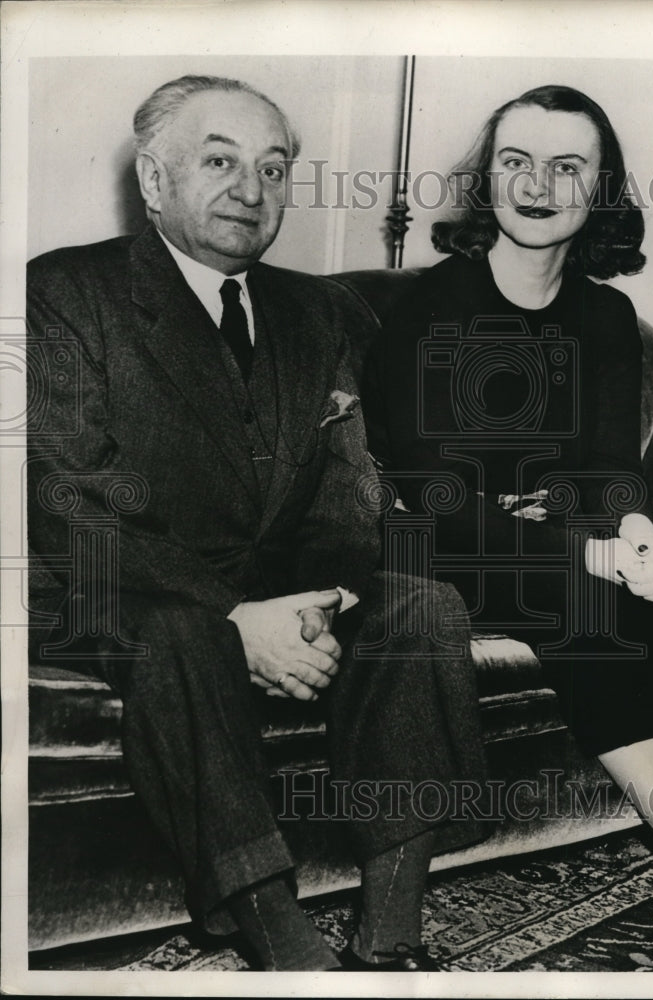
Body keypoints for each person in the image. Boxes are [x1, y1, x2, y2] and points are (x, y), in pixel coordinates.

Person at [26, 74, 489, 972]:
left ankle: (390, 932)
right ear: (154, 179)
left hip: (280, 588)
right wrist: (239, 620)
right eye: (220, 161)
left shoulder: (323, 311)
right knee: (184, 635)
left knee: (420, 609)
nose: (251, 189)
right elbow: (71, 502)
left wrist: (319, 605)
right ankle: (282, 944)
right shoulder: (64, 293)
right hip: (118, 590)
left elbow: (351, 490)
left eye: (273, 169)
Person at [364, 85, 653, 972]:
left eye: (567, 166)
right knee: (589, 595)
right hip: (443, 542)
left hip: (564, 545)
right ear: (486, 178)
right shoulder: (430, 308)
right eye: (516, 161)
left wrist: (644, 540)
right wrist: (600, 554)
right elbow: (436, 491)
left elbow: (609, 471)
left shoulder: (605, 316)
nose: (538, 185)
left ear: (601, 188)